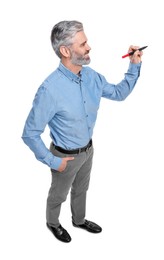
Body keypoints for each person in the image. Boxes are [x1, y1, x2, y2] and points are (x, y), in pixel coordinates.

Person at [22, 20, 143, 243]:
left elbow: (118, 93)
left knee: (81, 189)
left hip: (88, 150)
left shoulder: (91, 76)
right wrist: (52, 161)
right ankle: (53, 223)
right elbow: (30, 133)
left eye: (87, 42)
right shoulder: (49, 90)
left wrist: (134, 65)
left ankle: (79, 220)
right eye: (83, 44)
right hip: (63, 156)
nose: (89, 47)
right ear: (65, 51)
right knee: (58, 195)